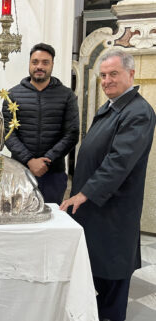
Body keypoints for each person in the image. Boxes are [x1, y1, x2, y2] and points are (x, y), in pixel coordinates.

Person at [60, 49, 156, 321]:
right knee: (98, 272)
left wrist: (84, 193)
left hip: (114, 211)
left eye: (113, 74)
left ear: (131, 74)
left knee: (112, 276)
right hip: (97, 208)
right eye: (103, 75)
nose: (107, 80)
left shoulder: (138, 112)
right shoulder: (111, 107)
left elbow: (118, 163)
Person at [2, 43, 79, 204]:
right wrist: (30, 160)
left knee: (51, 221)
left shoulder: (66, 95)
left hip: (53, 173)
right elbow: (7, 134)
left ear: (52, 65)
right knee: (18, 221)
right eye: (35, 62)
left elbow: (71, 134)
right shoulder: (12, 95)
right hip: (20, 171)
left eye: (45, 62)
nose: (39, 66)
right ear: (29, 64)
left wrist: (47, 160)